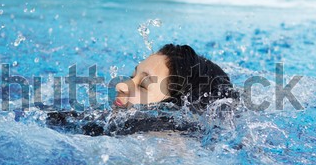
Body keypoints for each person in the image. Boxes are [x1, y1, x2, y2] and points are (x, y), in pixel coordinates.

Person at [45, 43, 240, 136]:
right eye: (132, 76)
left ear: (177, 108)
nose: (121, 85)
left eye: (143, 85)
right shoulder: (116, 124)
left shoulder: (166, 141)